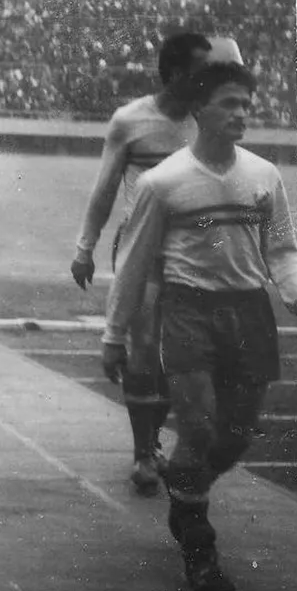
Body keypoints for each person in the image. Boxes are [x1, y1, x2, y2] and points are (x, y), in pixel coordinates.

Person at [102, 61, 297, 591]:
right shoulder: (163, 182)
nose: (242, 113)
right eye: (229, 103)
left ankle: (185, 488)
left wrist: (295, 292)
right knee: (200, 430)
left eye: (246, 103)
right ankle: (199, 547)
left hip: (249, 311)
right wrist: (114, 335)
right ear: (199, 109)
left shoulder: (263, 175)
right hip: (188, 311)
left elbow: (284, 250)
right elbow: (134, 264)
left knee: (236, 437)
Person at [70, 32, 212, 495]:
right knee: (144, 348)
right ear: (176, 73)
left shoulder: (206, 121)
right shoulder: (130, 120)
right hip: (140, 251)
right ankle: (143, 453)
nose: (209, 79)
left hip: (190, 255)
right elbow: (104, 189)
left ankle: (152, 443)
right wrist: (85, 248)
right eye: (202, 71)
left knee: (178, 355)